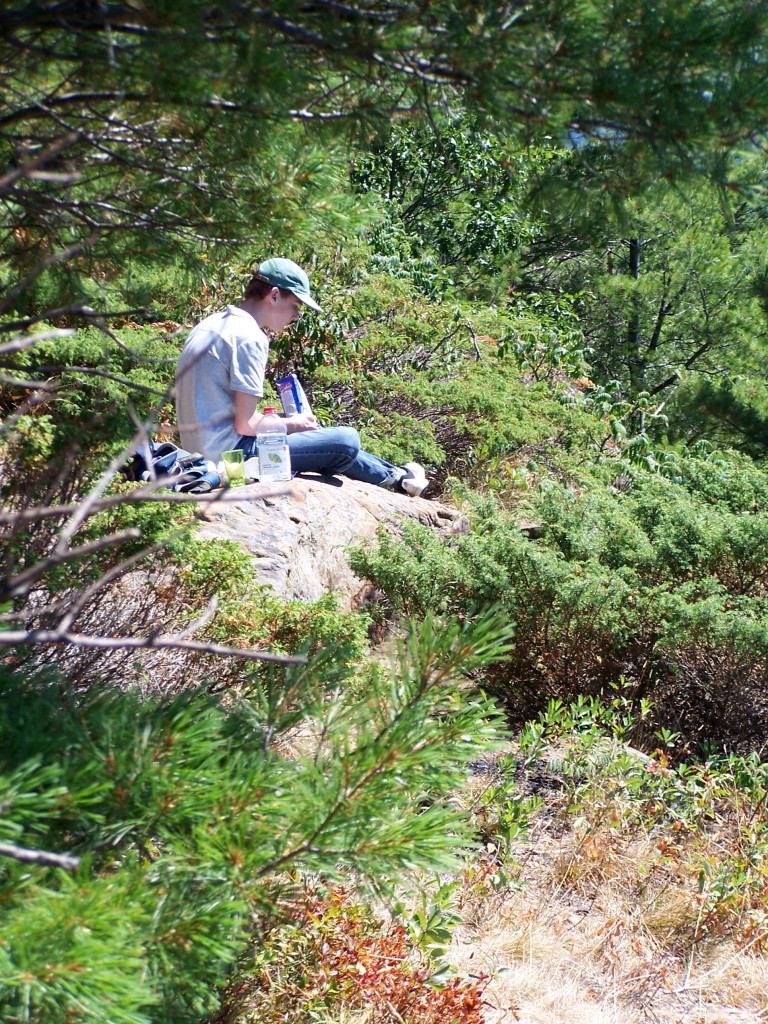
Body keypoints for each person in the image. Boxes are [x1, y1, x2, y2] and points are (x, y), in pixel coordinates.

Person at [175, 258, 429, 496]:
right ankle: (397, 478)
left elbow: (234, 417)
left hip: (200, 455)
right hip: (232, 461)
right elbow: (246, 425)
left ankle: (398, 476)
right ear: (274, 295)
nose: (296, 316)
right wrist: (292, 424)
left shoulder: (211, 324)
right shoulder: (249, 337)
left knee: (320, 439)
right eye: (295, 306)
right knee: (345, 440)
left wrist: (285, 422)